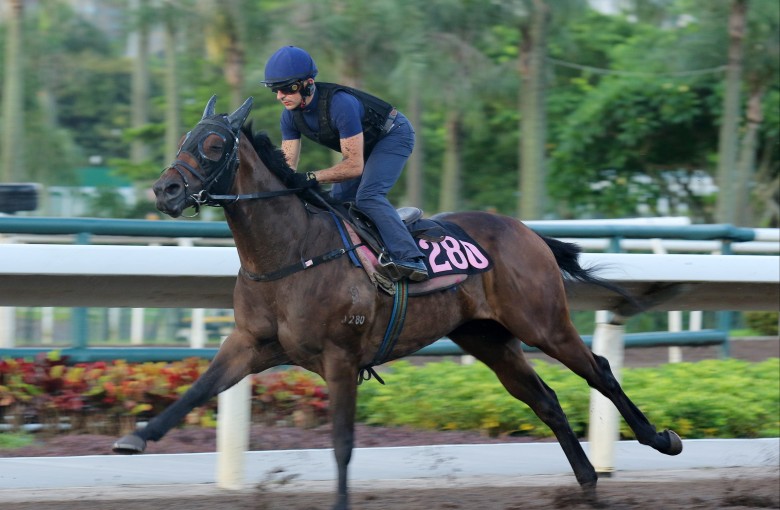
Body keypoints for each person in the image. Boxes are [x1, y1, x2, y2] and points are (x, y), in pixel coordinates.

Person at [261, 45, 428, 282]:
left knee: (368, 196)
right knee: (334, 203)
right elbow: (287, 167)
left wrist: (310, 177)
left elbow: (353, 167)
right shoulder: (289, 116)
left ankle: (410, 258)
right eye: (275, 90)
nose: (280, 96)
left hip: (393, 135)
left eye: (287, 88)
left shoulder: (340, 104)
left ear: (308, 83)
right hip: (364, 146)